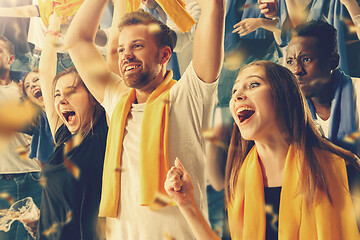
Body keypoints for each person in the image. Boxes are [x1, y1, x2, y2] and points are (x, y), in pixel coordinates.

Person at [65, 0, 224, 238]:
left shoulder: (188, 95)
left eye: (137, 46)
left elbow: (213, 7)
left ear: (164, 54)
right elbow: (76, 40)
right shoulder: (117, 97)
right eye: (121, 49)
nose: (126, 55)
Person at [165, 60, 360, 239]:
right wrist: (186, 203)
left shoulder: (343, 169)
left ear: (284, 95)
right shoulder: (238, 181)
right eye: (234, 91)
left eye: (253, 85)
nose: (238, 96)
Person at [25, 13, 108, 239]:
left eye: (71, 92)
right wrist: (52, 26)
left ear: (93, 96)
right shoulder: (63, 136)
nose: (60, 100)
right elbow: (45, 74)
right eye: (57, 94)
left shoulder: (104, 133)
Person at [0, 35, 42, 240]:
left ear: (10, 58)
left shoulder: (28, 85)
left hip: (33, 175)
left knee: (38, 234)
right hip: (1, 179)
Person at [20, 70, 54, 166]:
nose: (32, 85)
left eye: (36, 80)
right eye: (27, 86)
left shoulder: (68, 111)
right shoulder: (38, 123)